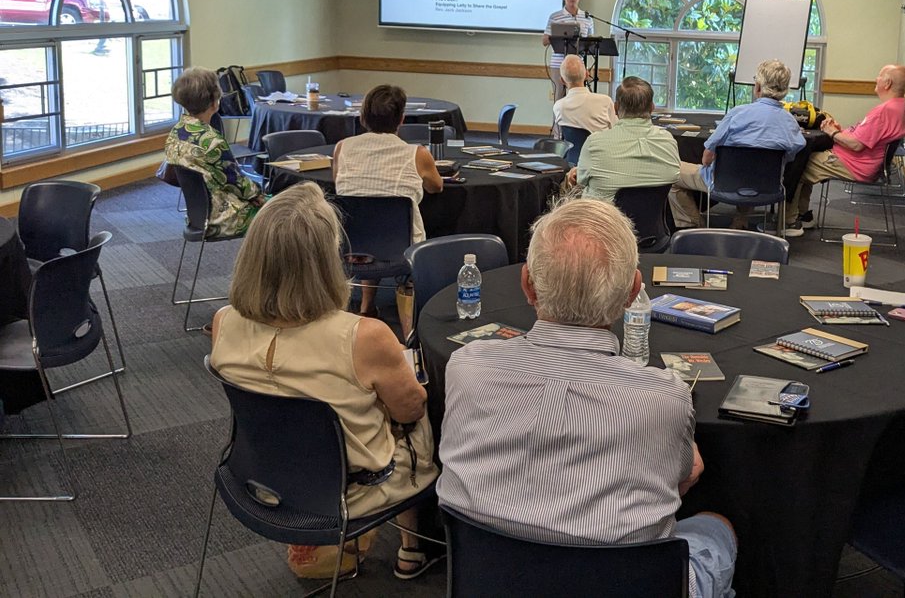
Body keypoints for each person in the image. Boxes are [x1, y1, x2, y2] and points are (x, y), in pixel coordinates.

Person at [437, 198, 737, 598]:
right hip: (624, 584)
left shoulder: (465, 366)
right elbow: (684, 478)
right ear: (634, 292)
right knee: (717, 527)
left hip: (489, 580)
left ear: (527, 284)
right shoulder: (665, 397)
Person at [209, 183, 440, 581]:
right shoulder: (363, 336)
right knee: (422, 411)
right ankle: (413, 549)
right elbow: (411, 410)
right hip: (349, 493)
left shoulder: (223, 322)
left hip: (257, 475)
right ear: (327, 260)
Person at [332, 84, 443, 319]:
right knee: (382, 230)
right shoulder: (417, 154)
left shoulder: (342, 149)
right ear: (401, 119)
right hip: (402, 251)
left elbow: (342, 189)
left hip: (350, 247)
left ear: (362, 118)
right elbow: (436, 187)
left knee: (368, 223)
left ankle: (366, 307)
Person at [669, 59, 806, 230]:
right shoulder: (791, 123)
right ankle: (741, 220)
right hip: (768, 185)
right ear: (785, 91)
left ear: (758, 87)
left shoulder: (737, 114)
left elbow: (706, 158)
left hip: (723, 183)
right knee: (753, 170)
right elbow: (791, 156)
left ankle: (693, 225)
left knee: (670, 172)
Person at [786, 64, 905, 234]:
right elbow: (864, 136)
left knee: (797, 164)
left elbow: (856, 144)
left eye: (879, 76)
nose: (876, 79)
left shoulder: (884, 111)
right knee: (806, 159)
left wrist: (833, 132)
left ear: (887, 83)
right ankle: (803, 216)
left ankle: (789, 222)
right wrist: (840, 131)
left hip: (854, 164)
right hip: (863, 162)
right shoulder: (901, 106)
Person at [165, 66, 264, 238]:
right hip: (222, 218)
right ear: (215, 101)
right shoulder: (211, 140)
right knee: (283, 213)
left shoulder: (176, 132)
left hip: (196, 215)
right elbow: (238, 183)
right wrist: (260, 194)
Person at [567, 75, 679, 201]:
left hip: (601, 219)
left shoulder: (595, 143)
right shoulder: (668, 141)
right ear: (652, 107)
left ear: (615, 107)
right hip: (650, 220)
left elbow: (580, 182)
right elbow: (674, 175)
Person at [542, 0, 592, 101]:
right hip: (558, 64)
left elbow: (590, 44)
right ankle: (558, 120)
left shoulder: (587, 18)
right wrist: (559, 35)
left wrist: (588, 67)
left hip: (579, 65)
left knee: (578, 99)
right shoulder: (555, 17)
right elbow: (544, 41)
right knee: (559, 98)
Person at [552, 54, 617, 137]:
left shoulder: (558, 107)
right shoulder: (605, 102)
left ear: (562, 80)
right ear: (587, 74)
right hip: (600, 149)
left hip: (573, 150)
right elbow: (616, 131)